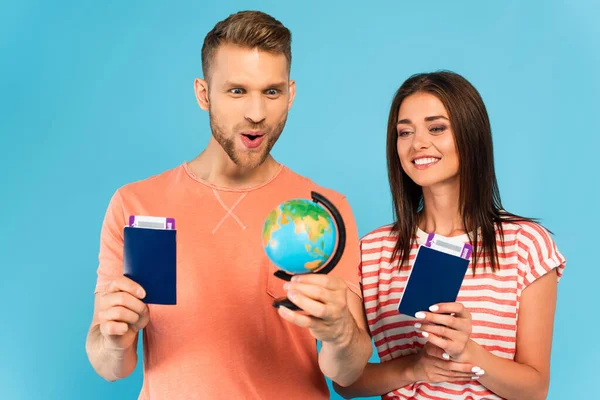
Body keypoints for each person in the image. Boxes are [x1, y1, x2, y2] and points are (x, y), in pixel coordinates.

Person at [85, 10, 371, 399]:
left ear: (291, 93)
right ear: (203, 93)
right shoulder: (136, 204)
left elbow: (349, 372)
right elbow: (111, 366)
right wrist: (115, 341)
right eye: (237, 91)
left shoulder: (323, 210)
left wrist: (341, 336)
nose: (256, 114)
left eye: (271, 92)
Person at [334, 71, 566, 400]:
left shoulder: (526, 246)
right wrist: (415, 367)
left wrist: (469, 353)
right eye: (405, 132)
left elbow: (535, 389)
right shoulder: (371, 252)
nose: (418, 143)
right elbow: (346, 383)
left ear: (470, 135)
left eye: (437, 128)